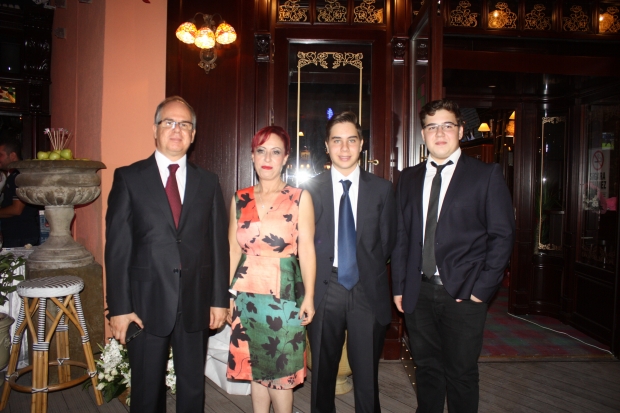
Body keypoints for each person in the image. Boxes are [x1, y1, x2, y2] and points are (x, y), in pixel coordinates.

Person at [105, 96, 230, 413]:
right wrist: (119, 308)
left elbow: (218, 245)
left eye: (184, 124)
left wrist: (219, 300)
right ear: (155, 129)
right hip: (144, 306)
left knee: (193, 389)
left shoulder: (208, 182)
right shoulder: (129, 178)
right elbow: (117, 249)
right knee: (146, 393)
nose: (177, 129)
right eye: (169, 122)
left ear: (193, 134)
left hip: (195, 303)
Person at [392, 99, 515, 413]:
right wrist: (399, 286)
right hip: (418, 293)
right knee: (427, 369)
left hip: (464, 294)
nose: (440, 133)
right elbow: (402, 236)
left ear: (460, 130)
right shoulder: (407, 178)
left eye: (447, 125)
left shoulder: (485, 175)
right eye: (432, 127)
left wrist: (481, 290)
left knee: (461, 374)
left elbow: (502, 236)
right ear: (423, 134)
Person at [303, 111, 396, 413]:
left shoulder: (382, 189)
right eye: (337, 141)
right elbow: (302, 243)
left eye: (351, 140)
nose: (344, 148)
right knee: (322, 376)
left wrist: (363, 268)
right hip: (324, 289)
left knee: (367, 377)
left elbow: (388, 242)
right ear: (326, 146)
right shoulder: (309, 190)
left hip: (366, 290)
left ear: (361, 144)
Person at [226, 125, 316, 413]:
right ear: (252, 156)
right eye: (261, 151)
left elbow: (307, 250)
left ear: (286, 158)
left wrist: (309, 296)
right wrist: (226, 295)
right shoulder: (240, 198)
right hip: (246, 296)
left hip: (284, 299)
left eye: (275, 152)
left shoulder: (299, 197)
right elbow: (233, 250)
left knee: (281, 376)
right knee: (256, 370)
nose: (267, 158)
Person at [0, 136, 40, 247]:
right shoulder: (14, 175)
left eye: (1, 155)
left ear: (12, 156)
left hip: (21, 236)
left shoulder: (20, 176)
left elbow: (17, 209)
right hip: (16, 235)